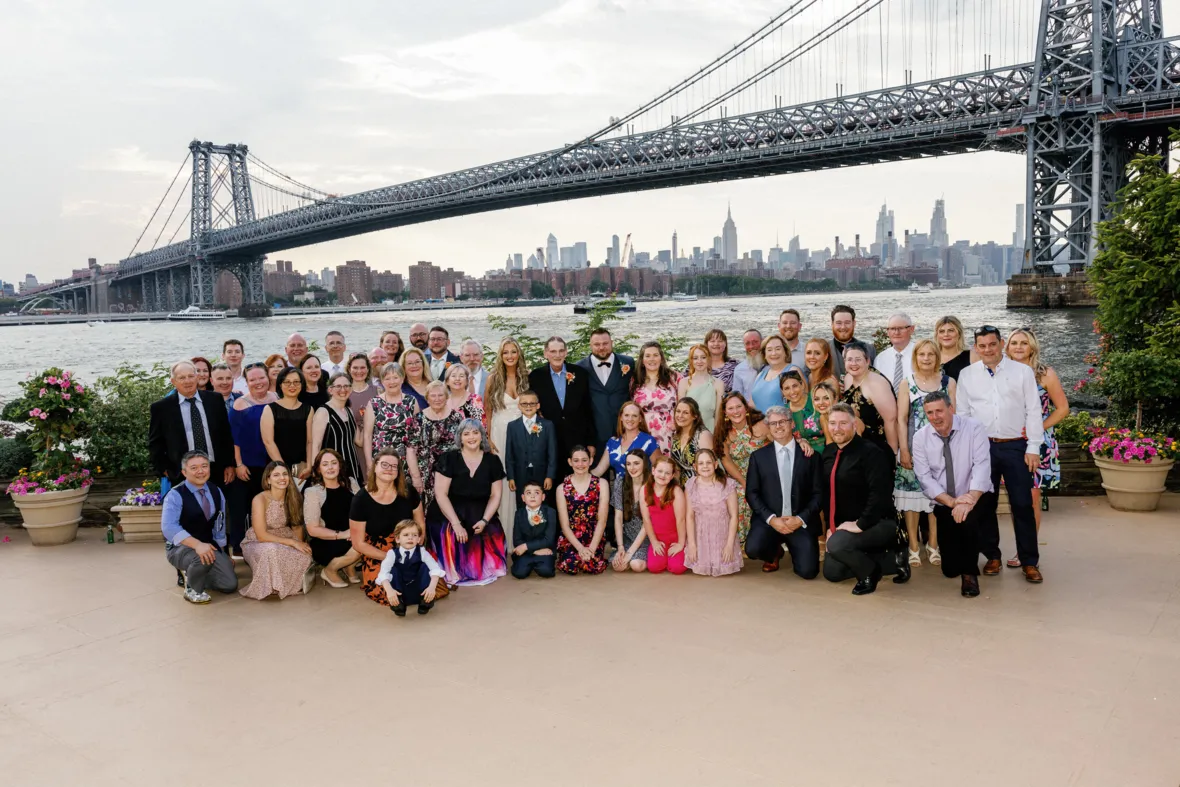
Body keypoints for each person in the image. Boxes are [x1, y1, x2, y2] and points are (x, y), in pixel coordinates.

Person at [956, 325, 1044, 583]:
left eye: (992, 344)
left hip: (1016, 446)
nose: (987, 350)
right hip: (982, 448)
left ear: (1001, 343)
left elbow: (1033, 411)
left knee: (1022, 505)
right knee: (984, 505)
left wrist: (1033, 447)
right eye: (982, 346)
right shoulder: (967, 375)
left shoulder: (1023, 372)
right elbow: (962, 415)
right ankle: (992, 555)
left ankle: (1030, 561)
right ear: (976, 347)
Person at [821, 404, 909, 595]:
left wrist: (860, 524)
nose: (837, 428)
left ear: (854, 425)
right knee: (832, 572)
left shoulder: (871, 453)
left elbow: (880, 495)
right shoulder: (828, 453)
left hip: (878, 523)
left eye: (843, 423)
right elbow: (829, 496)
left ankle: (871, 572)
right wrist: (831, 527)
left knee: (837, 546)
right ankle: (892, 560)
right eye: (833, 423)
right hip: (847, 527)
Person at [912, 392, 993, 597]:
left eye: (939, 411)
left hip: (975, 495)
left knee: (967, 521)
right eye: (930, 412)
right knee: (949, 568)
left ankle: (969, 576)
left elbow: (982, 466)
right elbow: (924, 478)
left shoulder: (974, 428)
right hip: (944, 500)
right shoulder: (920, 437)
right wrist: (952, 501)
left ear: (951, 409)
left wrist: (969, 500)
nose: (935, 417)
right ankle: (960, 563)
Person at [1005, 327, 1068, 568]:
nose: (1019, 347)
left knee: (1031, 497)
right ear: (1007, 347)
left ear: (1032, 346)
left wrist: (1037, 427)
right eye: (1014, 343)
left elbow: (1062, 409)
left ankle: (1026, 551)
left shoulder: (1045, 375)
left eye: (1024, 342)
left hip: (1038, 443)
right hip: (1009, 442)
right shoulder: (1001, 373)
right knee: (1014, 498)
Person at [744, 406, 824, 578]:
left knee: (808, 572)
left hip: (799, 521)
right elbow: (752, 493)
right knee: (753, 549)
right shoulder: (758, 457)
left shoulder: (810, 456)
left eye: (782, 422)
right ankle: (775, 551)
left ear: (791, 424)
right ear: (769, 427)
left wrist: (800, 518)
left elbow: (819, 494)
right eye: (773, 423)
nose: (778, 426)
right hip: (772, 521)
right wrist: (772, 519)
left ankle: (798, 549)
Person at [349, 447, 434, 608]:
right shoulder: (361, 499)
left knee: (428, 582)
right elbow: (358, 544)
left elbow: (420, 524)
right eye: (385, 465)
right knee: (387, 588)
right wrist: (392, 557)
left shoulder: (409, 491)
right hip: (378, 551)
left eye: (394, 466)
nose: (389, 469)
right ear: (375, 467)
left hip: (408, 544)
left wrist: (413, 551)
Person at [895, 339, 954, 567]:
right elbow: (901, 419)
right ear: (916, 357)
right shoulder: (907, 383)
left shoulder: (948, 382)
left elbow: (954, 417)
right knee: (912, 502)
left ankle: (933, 544)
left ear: (937, 357)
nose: (926, 358)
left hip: (941, 450)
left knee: (936, 499)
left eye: (931, 354)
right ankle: (913, 546)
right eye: (922, 355)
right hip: (913, 448)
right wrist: (904, 450)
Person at [428, 419, 507, 586]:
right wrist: (456, 524)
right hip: (450, 511)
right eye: (466, 433)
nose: (471, 437)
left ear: (482, 436)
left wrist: (485, 520)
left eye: (475, 432)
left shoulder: (493, 461)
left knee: (488, 538)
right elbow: (441, 494)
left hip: (481, 511)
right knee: (452, 535)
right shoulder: (448, 459)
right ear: (460, 438)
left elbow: (495, 495)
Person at [161, 451, 237, 603]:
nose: (200, 471)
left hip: (208, 545)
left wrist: (223, 552)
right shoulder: (175, 494)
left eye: (204, 466)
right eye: (194, 468)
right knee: (201, 556)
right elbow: (168, 527)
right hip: (179, 548)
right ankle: (193, 589)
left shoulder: (216, 491)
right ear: (184, 472)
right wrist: (197, 545)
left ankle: (194, 572)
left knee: (229, 585)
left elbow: (219, 524)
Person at [148, 360, 235, 488]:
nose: (187, 381)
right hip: (182, 473)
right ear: (173, 382)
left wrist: (229, 464)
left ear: (197, 378)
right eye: (182, 378)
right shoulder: (161, 408)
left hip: (216, 470)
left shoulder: (215, 400)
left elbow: (225, 434)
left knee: (217, 506)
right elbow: (155, 442)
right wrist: (165, 470)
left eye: (190, 376)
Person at [239, 461, 314, 600]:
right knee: (271, 550)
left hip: (284, 538)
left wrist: (300, 544)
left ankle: (286, 585)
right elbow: (261, 535)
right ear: (268, 479)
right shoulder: (260, 499)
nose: (282, 478)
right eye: (276, 475)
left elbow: (297, 526)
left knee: (304, 556)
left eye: (285, 474)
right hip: (257, 541)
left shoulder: (294, 497)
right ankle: (270, 586)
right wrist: (292, 542)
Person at [229, 364, 277, 551]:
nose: (258, 382)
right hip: (248, 465)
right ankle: (241, 547)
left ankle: (268, 544)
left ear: (268, 378)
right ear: (246, 382)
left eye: (261, 378)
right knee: (243, 507)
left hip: (271, 463)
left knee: (270, 507)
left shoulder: (276, 398)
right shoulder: (240, 405)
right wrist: (238, 464)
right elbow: (234, 439)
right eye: (252, 379)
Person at [529, 336, 597, 464]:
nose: (557, 355)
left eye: (561, 351)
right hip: (549, 438)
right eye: (553, 351)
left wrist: (591, 442)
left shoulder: (580, 374)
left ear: (566, 352)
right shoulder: (536, 377)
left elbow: (588, 409)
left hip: (578, 437)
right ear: (546, 353)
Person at [485, 337, 529, 536]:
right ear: (500, 356)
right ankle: (501, 534)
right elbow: (487, 410)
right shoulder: (493, 378)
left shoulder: (526, 377)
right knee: (501, 479)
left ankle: (521, 531)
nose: (510, 356)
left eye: (513, 351)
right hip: (499, 432)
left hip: (523, 433)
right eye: (506, 352)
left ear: (519, 354)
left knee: (521, 477)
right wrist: (488, 438)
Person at [302, 448, 360, 588]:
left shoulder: (351, 483)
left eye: (334, 463)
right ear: (318, 469)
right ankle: (330, 570)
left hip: (351, 535)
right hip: (326, 541)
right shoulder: (313, 492)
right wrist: (343, 534)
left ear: (340, 465)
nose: (330, 467)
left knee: (371, 538)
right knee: (360, 546)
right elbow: (312, 530)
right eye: (325, 464)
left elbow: (363, 511)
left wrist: (355, 532)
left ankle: (349, 566)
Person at [717, 392, 768, 549]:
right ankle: (736, 542)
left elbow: (781, 442)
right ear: (725, 412)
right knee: (735, 494)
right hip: (739, 477)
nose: (735, 411)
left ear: (746, 408)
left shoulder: (760, 425)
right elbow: (726, 461)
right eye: (730, 408)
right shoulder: (724, 433)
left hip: (764, 475)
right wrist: (743, 481)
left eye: (739, 406)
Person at [575, 328, 636, 460]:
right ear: (590, 345)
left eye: (605, 343)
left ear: (611, 343)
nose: (601, 347)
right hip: (596, 437)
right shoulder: (579, 368)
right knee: (598, 477)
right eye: (597, 344)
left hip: (625, 433)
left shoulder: (628, 363)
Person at [363, 362, 423, 492]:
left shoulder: (412, 401)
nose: (392, 382)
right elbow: (367, 436)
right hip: (381, 461)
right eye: (387, 378)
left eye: (395, 377)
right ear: (382, 381)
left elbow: (417, 434)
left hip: (407, 461)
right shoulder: (374, 403)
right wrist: (369, 463)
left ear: (402, 378)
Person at [684, 449, 742, 577]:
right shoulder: (691, 485)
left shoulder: (728, 484)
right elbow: (689, 516)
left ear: (715, 465)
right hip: (701, 536)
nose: (705, 466)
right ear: (695, 467)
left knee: (724, 565)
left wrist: (729, 545)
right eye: (701, 463)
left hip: (722, 536)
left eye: (708, 462)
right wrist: (692, 544)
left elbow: (733, 516)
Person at [841, 341, 898, 462]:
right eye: (849, 359)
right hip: (855, 444)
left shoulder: (877, 384)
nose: (853, 363)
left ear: (867, 361)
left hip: (877, 446)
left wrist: (892, 454)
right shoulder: (848, 378)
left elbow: (891, 421)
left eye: (858, 359)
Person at [555, 446, 609, 575]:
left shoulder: (602, 483)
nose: (580, 464)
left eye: (584, 460)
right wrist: (580, 548)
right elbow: (564, 525)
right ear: (570, 462)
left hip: (593, 536)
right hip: (571, 538)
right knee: (570, 565)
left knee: (592, 565)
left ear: (590, 461)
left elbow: (602, 520)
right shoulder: (562, 488)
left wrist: (591, 549)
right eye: (576, 460)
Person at [375, 519, 444, 616]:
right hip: (399, 592)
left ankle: (425, 602)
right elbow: (383, 573)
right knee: (393, 569)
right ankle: (398, 604)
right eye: (406, 535)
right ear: (397, 539)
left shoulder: (422, 552)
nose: (410, 538)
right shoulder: (392, 554)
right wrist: (389, 591)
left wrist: (432, 588)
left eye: (414, 535)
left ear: (419, 539)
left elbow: (435, 569)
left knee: (426, 567)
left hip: (420, 591)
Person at [503, 390, 557, 512]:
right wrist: (511, 476)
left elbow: (552, 453)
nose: (528, 406)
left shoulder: (547, 425)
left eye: (532, 404)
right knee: (522, 505)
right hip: (520, 473)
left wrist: (550, 475)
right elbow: (509, 454)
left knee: (543, 505)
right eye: (524, 404)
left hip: (541, 473)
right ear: (519, 406)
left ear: (538, 405)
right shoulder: (512, 426)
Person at [310, 372, 364, 488]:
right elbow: (316, 445)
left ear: (351, 389)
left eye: (346, 386)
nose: (343, 390)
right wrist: (316, 471)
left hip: (352, 466)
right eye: (338, 386)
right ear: (330, 390)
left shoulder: (349, 411)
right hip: (332, 470)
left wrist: (368, 419)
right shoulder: (323, 412)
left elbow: (359, 441)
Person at [260, 367, 313, 478]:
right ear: (280, 384)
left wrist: (309, 466)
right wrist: (283, 469)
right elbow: (268, 442)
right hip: (276, 468)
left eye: (296, 382)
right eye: (287, 382)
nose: (292, 386)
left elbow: (310, 441)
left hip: (301, 469)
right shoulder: (270, 409)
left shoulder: (308, 409)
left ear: (302, 384)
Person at [418, 381, 463, 510]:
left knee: (453, 508)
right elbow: (411, 449)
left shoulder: (457, 417)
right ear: (427, 398)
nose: (437, 399)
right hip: (426, 473)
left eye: (440, 395)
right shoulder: (418, 419)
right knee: (430, 510)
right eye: (433, 396)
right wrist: (416, 477)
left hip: (453, 471)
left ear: (446, 397)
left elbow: (463, 446)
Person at [642, 454, 687, 575]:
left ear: (672, 476)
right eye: (660, 471)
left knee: (677, 568)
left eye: (667, 473)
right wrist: (654, 542)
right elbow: (646, 519)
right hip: (658, 539)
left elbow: (681, 519)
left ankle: (678, 555)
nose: (662, 475)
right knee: (654, 567)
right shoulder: (645, 489)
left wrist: (680, 544)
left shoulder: (676, 491)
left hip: (675, 538)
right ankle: (664, 558)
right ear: (653, 470)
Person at [630, 341, 678, 453]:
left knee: (666, 467)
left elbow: (683, 403)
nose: (652, 359)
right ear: (642, 360)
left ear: (661, 358)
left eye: (656, 355)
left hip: (668, 431)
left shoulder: (674, 378)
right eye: (648, 356)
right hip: (643, 430)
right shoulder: (634, 381)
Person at [592, 400, 661, 479]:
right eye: (626, 415)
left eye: (634, 416)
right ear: (621, 417)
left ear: (640, 419)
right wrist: (578, 477)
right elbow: (599, 470)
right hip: (619, 489)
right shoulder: (612, 442)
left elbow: (660, 469)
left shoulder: (649, 441)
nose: (630, 419)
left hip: (642, 488)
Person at [610, 449, 651, 573]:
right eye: (628, 464)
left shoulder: (651, 485)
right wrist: (621, 547)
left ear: (644, 464)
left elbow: (647, 523)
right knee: (617, 566)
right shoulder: (620, 483)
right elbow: (618, 517)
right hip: (627, 536)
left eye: (636, 463)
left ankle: (637, 556)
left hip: (647, 536)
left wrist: (630, 553)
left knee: (636, 565)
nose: (632, 468)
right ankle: (626, 555)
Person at [510, 481, 558, 579]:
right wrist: (534, 551)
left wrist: (526, 546)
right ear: (523, 498)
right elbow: (517, 540)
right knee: (519, 573)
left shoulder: (550, 512)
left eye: (536, 493)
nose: (532, 496)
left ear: (543, 497)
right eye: (528, 493)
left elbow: (549, 540)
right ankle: (527, 563)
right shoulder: (519, 514)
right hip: (526, 552)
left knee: (546, 571)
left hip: (545, 550)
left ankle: (538, 564)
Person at [678, 344, 725, 433]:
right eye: (695, 358)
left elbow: (718, 415)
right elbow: (680, 413)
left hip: (710, 430)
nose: (699, 361)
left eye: (703, 357)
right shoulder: (683, 383)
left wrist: (715, 436)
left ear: (709, 359)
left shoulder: (718, 384)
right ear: (691, 361)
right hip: (688, 431)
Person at [668, 398, 713, 484]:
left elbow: (709, 467)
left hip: (701, 484)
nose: (680, 416)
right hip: (681, 485)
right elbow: (676, 467)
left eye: (685, 412)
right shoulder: (676, 435)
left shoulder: (702, 435)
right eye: (678, 411)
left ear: (695, 416)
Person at [750, 334, 797, 413]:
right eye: (769, 350)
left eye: (778, 349)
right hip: (760, 423)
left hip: (781, 424)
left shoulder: (791, 371)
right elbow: (752, 404)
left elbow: (798, 404)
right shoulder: (760, 375)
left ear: (785, 351)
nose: (774, 353)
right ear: (764, 355)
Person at [827, 304, 876, 378]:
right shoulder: (823, 349)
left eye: (847, 323)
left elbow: (875, 377)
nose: (843, 327)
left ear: (854, 323)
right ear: (832, 324)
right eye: (839, 323)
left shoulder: (869, 349)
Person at [873, 312, 916, 395]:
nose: (896, 332)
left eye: (901, 328)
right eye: (892, 329)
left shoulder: (921, 354)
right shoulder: (880, 359)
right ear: (888, 332)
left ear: (911, 329)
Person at [345, 353, 380, 429]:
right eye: (355, 368)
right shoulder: (343, 392)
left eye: (362, 367)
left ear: (368, 369)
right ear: (349, 369)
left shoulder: (378, 391)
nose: (359, 371)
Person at [935, 316, 975, 381]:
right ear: (937, 335)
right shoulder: (930, 356)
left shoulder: (971, 356)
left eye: (951, 330)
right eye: (941, 331)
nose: (946, 334)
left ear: (959, 333)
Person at [731, 329, 764, 403]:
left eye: (755, 342)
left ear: (762, 341)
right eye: (747, 343)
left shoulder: (773, 365)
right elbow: (737, 398)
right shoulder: (739, 369)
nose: (751, 346)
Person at [703, 328, 739, 393]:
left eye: (720, 341)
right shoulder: (698, 365)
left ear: (725, 344)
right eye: (712, 341)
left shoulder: (735, 365)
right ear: (706, 344)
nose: (716, 344)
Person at [812, 381, 839, 446]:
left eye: (826, 398)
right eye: (817, 399)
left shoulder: (846, 415)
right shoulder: (823, 417)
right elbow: (830, 444)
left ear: (835, 400)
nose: (821, 402)